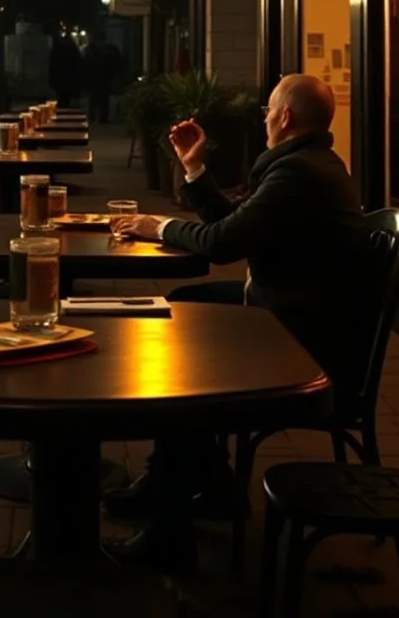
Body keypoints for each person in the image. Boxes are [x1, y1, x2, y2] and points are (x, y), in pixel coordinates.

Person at [105, 73, 370, 567]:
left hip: (302, 344)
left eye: (269, 108)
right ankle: (206, 484)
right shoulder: (306, 163)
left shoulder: (298, 173)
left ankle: (169, 531)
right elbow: (234, 225)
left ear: (286, 117)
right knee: (183, 306)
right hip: (292, 316)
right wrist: (194, 167)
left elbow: (222, 243)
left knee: (184, 370)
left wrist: (157, 225)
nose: (263, 116)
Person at [82, 30, 119, 122]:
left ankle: (94, 116)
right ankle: (102, 116)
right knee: (103, 98)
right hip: (104, 78)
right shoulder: (109, 50)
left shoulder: (90, 50)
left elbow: (85, 64)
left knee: (94, 98)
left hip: (96, 77)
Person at [49, 29, 82, 108]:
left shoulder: (57, 48)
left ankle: (61, 107)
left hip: (59, 75)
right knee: (67, 95)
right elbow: (77, 62)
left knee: (61, 95)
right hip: (70, 76)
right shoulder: (72, 48)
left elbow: (52, 63)